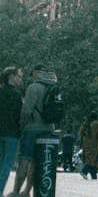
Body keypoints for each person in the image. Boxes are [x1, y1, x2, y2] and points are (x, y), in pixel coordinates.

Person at [11, 65, 56, 197]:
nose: (30, 77)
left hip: (32, 129)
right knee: (36, 163)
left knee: (24, 161)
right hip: (49, 129)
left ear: (37, 73)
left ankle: (15, 192)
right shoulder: (53, 87)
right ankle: (27, 192)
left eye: (32, 74)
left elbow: (26, 111)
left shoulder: (33, 87)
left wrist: (21, 126)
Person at [0, 68, 22, 195]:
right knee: (6, 165)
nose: (20, 79)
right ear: (11, 76)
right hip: (12, 134)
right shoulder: (16, 94)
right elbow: (20, 116)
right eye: (18, 76)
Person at [78, 113, 98, 181]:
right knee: (93, 159)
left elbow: (81, 132)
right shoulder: (97, 124)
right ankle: (84, 171)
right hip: (94, 144)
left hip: (85, 144)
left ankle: (93, 175)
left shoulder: (85, 123)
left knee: (90, 159)